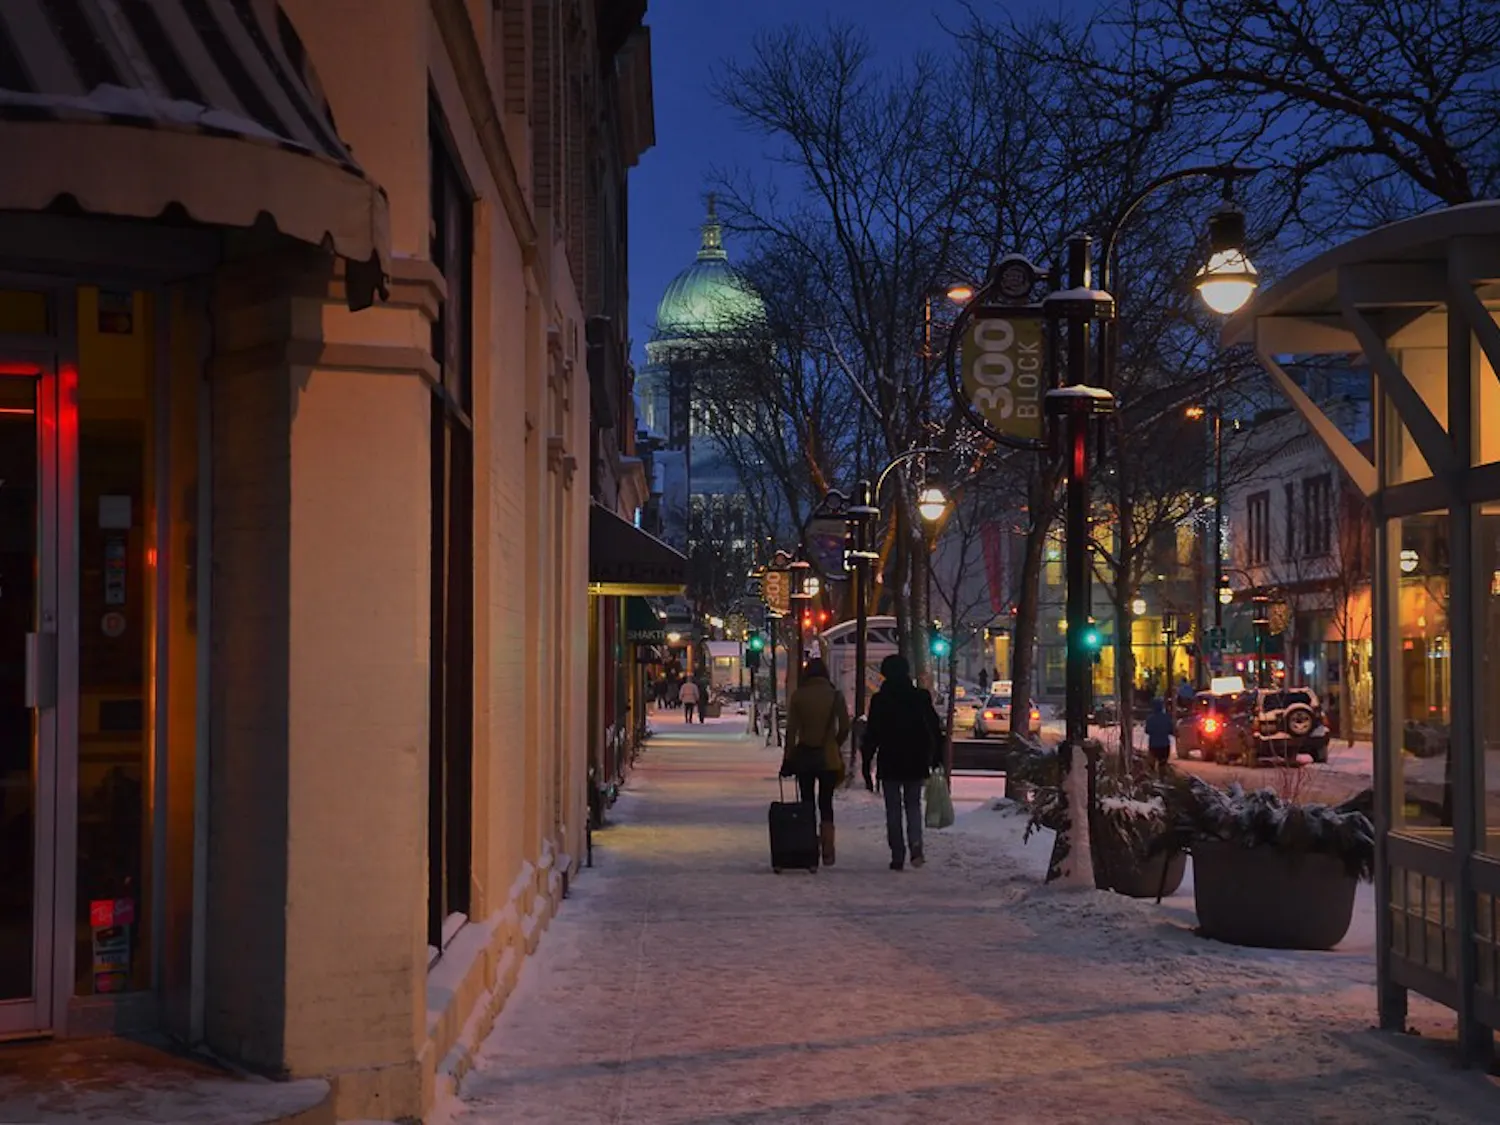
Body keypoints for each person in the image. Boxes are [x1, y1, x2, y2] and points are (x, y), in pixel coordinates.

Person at [861, 654, 943, 871]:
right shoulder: (920, 697)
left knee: (893, 809)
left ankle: (897, 853)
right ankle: (916, 846)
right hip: (915, 759)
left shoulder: (880, 700)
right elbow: (934, 728)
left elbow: (872, 734)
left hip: (890, 760)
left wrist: (866, 763)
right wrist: (936, 757)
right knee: (913, 805)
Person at [782, 658, 851, 866]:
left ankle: (808, 844)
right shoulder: (835, 695)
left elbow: (791, 730)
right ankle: (828, 847)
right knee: (826, 802)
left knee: (807, 802)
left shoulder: (799, 696)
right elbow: (845, 726)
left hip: (804, 756)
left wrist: (788, 757)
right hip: (828, 757)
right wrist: (834, 743)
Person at [1145, 697, 1175, 776]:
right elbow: (1171, 730)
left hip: (1153, 745)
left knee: (1152, 765)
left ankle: (1152, 779)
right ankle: (1162, 779)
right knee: (1162, 764)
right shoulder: (1167, 718)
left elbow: (1147, 731)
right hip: (1164, 745)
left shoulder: (1150, 719)